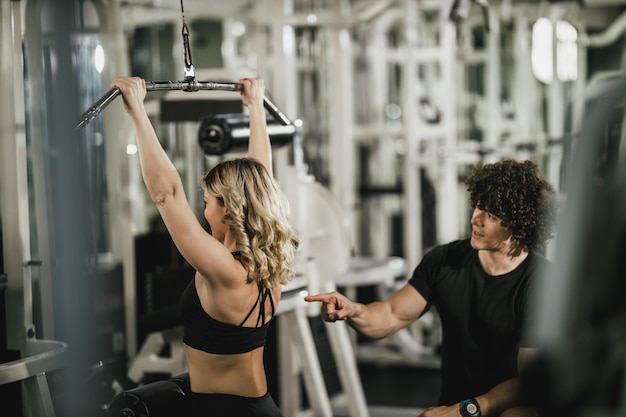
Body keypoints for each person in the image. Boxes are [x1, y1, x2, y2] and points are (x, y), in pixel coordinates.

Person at [306, 158, 558, 417]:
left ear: (518, 227)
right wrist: (355, 311)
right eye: (478, 207)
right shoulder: (444, 261)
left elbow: (530, 383)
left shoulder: (541, 282)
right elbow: (392, 314)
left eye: (490, 215)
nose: (475, 219)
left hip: (499, 407)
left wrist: (468, 410)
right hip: (452, 407)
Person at [113, 76, 299, 417]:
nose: (204, 209)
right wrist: (255, 109)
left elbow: (166, 195)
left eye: (208, 201)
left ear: (228, 208)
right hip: (257, 407)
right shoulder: (268, 260)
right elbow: (261, 179)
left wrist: (137, 112)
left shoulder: (224, 269)